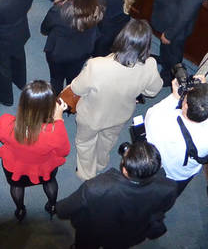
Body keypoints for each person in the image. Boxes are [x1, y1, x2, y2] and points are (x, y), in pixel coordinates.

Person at [69, 20, 163, 179]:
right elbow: (152, 91)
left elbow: (77, 89)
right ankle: (101, 163)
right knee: (108, 140)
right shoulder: (150, 65)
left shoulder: (96, 65)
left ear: (122, 38)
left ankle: (87, 173)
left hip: (91, 116)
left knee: (85, 142)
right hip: (120, 115)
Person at [57, 139, 180, 249]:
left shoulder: (97, 187)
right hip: (129, 235)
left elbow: (65, 209)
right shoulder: (169, 187)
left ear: (125, 169)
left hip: (94, 231)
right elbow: (161, 209)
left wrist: (57, 208)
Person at [0, 79, 70, 220]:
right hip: (44, 168)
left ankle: (20, 210)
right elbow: (64, 152)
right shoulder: (55, 131)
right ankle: (52, 206)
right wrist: (59, 120)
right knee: (50, 182)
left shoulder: (6, 122)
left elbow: (3, 138)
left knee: (17, 186)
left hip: (15, 167)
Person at [145, 79, 208, 190]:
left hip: (165, 170)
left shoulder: (161, 121)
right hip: (187, 173)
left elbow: (151, 114)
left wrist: (174, 96)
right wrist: (205, 91)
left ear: (186, 106)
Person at [41, 0, 105, 93]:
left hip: (57, 53)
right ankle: (69, 101)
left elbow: (44, 29)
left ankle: (56, 101)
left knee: (56, 80)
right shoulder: (99, 7)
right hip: (81, 53)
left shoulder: (58, 10)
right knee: (73, 82)